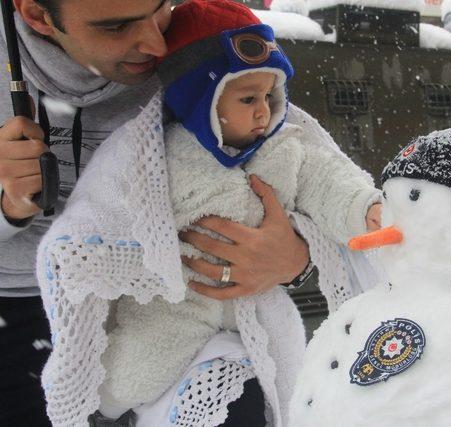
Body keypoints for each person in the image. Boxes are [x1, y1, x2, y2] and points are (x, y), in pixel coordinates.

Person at [0, 0, 360, 425]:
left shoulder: (198, 51)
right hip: (18, 308)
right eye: (117, 26)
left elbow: (299, 165)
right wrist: (7, 208)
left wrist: (294, 257)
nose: (155, 43)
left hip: (170, 308)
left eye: (161, 8)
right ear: (38, 16)